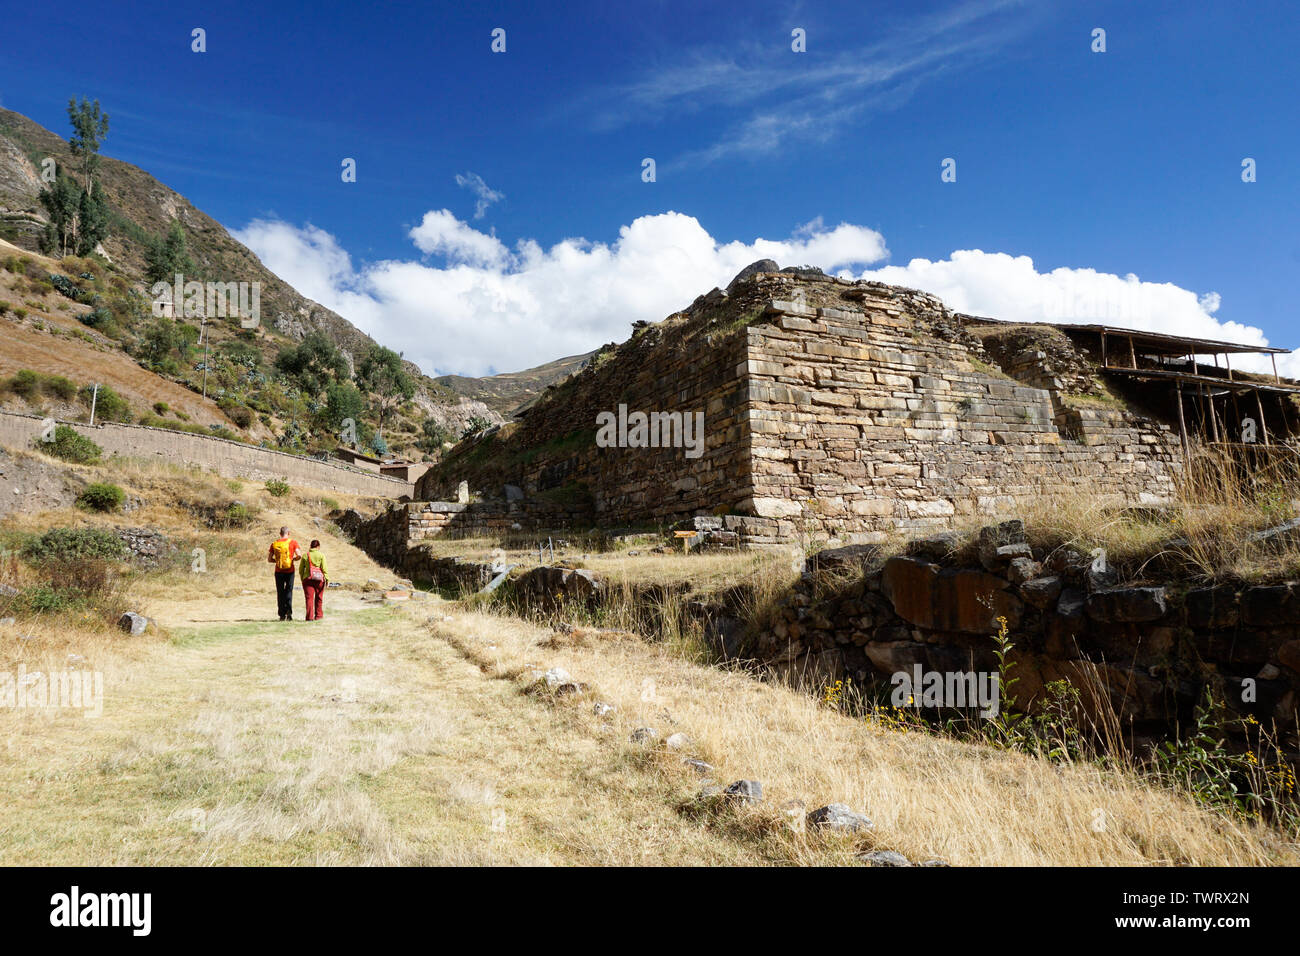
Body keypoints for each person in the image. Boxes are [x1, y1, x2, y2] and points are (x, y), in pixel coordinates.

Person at [267, 526, 301, 620]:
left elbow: (269, 559)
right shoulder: (293, 542)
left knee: (280, 592)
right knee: (289, 591)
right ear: (288, 533)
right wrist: (292, 559)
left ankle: (282, 615)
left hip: (278, 571)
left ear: (280, 533)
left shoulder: (274, 544)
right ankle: (289, 614)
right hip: (290, 571)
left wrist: (277, 561)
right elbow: (299, 555)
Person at [299, 539, 329, 622]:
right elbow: (324, 568)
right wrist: (327, 579)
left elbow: (301, 569)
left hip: (308, 579)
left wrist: (302, 578)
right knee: (319, 598)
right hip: (319, 580)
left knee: (309, 599)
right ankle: (318, 616)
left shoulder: (306, 555)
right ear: (318, 546)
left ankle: (309, 617)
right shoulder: (321, 555)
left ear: (310, 546)